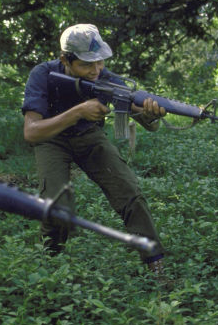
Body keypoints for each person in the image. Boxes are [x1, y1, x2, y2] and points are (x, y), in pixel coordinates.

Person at [21, 23, 167, 274]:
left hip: (88, 136)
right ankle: (50, 267)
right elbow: (31, 132)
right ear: (65, 59)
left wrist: (151, 113)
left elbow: (146, 121)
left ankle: (155, 264)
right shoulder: (43, 74)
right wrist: (79, 111)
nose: (96, 70)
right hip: (51, 139)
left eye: (99, 62)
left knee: (128, 189)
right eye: (87, 64)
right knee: (57, 205)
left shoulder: (106, 79)